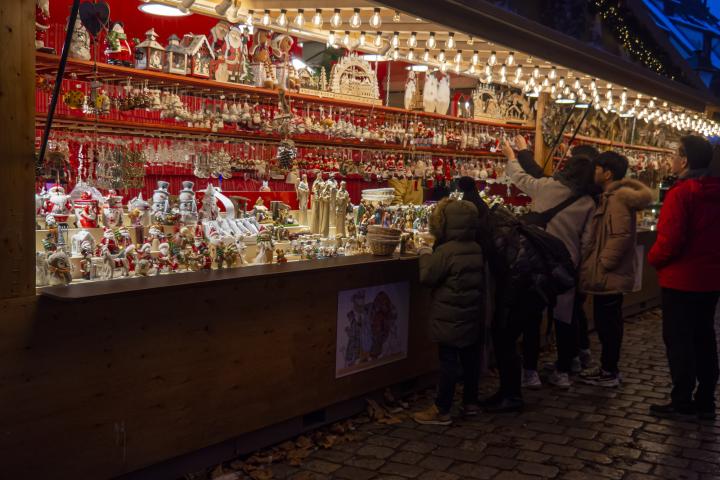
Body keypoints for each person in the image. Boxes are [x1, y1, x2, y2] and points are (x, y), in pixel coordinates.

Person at [503, 135, 595, 389]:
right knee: (565, 318)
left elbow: (521, 178)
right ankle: (563, 370)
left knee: (532, 316)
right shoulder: (588, 202)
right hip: (567, 264)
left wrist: (512, 157)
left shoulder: (547, 187)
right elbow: (588, 241)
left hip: (538, 262)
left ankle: (530, 372)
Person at [648, 135, 720, 420]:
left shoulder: (682, 193)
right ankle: (706, 399)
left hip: (681, 279)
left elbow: (670, 240)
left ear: (685, 160)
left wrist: (654, 259)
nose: (672, 160)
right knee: (704, 337)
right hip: (710, 280)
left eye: (675, 155)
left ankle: (681, 399)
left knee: (679, 341)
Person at [579, 151, 653, 387]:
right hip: (610, 273)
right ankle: (607, 367)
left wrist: (604, 264)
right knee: (608, 322)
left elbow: (620, 235)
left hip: (610, 273)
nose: (593, 172)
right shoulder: (611, 197)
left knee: (608, 324)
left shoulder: (616, 200)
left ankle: (609, 371)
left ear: (607, 173)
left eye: (597, 168)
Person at [414, 198, 485, 425]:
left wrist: (425, 253)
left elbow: (427, 277)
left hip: (449, 315)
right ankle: (470, 403)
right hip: (471, 313)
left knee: (448, 361)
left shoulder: (446, 251)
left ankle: (442, 408)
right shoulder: (476, 248)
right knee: (470, 359)